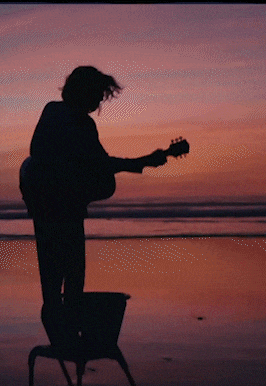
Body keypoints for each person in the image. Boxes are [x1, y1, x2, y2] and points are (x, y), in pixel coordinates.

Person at [20, 66, 167, 349]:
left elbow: (55, 157)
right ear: (84, 91)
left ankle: (62, 340)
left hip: (46, 205)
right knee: (72, 276)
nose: (100, 101)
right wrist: (143, 162)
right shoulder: (76, 121)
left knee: (53, 278)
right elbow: (98, 163)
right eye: (98, 94)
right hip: (61, 206)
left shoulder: (53, 112)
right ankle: (68, 343)